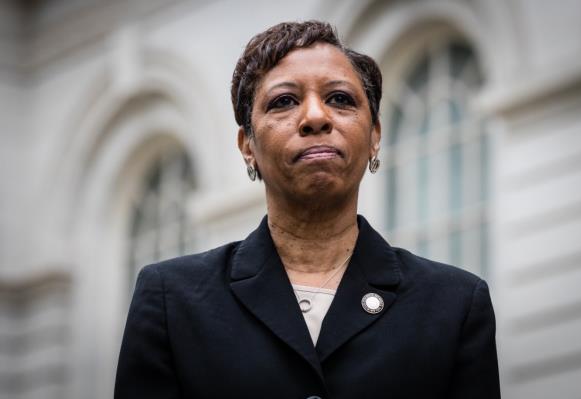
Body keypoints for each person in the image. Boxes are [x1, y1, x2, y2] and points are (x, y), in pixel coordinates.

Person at [114, 20, 500, 398]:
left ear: (374, 136)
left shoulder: (455, 305)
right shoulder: (171, 300)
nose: (316, 117)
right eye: (284, 101)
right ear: (247, 145)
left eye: (340, 99)